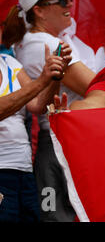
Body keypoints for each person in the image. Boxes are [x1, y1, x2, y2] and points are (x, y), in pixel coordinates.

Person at [2, 0, 96, 221]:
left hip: (32, 161)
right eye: (61, 0)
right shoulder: (38, 42)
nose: (70, 4)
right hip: (49, 148)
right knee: (55, 217)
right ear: (39, 11)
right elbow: (94, 86)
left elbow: (36, 104)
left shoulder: (15, 57)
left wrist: (53, 78)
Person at [0, 36, 71, 222]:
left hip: (23, 169)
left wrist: (55, 76)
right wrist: (41, 80)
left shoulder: (9, 62)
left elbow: (38, 105)